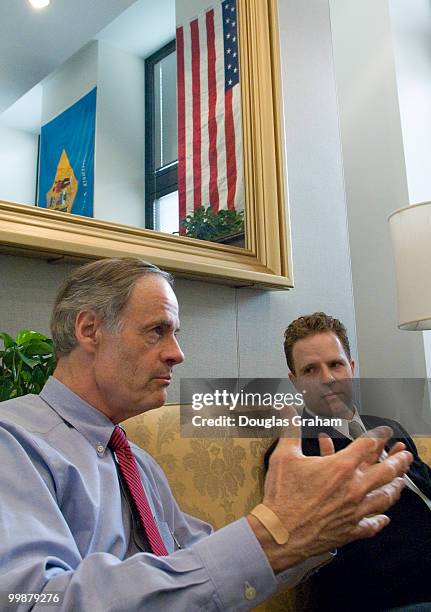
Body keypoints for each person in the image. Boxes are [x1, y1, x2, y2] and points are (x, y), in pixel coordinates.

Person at [0, 260, 412, 612]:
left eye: (175, 333)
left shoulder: (138, 462)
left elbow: (202, 562)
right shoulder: (14, 440)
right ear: (90, 330)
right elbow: (31, 600)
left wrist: (313, 532)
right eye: (157, 330)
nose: (177, 353)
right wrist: (275, 534)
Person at [264, 312, 431, 611]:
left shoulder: (389, 428)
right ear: (295, 381)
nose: (327, 379)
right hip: (390, 596)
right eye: (311, 370)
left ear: (352, 368)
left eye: (335, 364)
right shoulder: (292, 454)